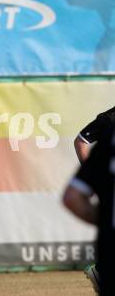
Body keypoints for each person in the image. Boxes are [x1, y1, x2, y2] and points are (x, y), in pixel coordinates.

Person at [63, 125, 115, 296]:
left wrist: (107, 220)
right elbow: (81, 140)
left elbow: (73, 198)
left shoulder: (110, 138)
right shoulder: (109, 120)